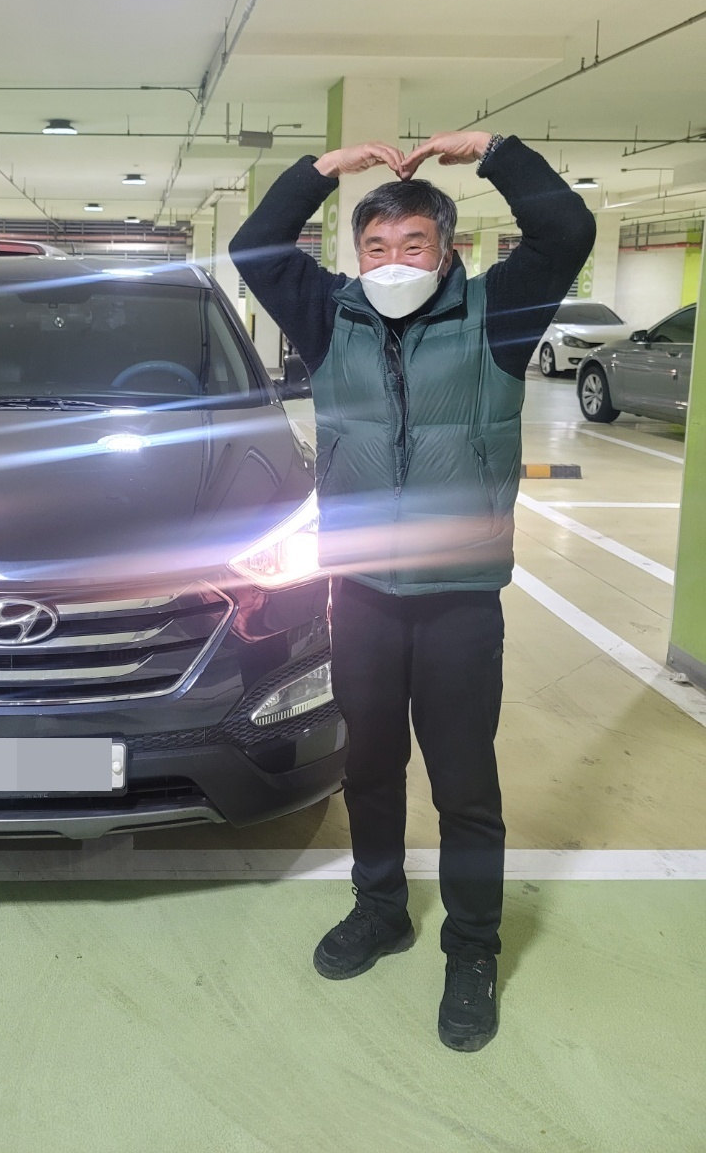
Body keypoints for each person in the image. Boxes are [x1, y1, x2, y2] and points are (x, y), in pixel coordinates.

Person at [230, 131, 595, 1052]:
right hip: (360, 599)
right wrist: (321, 171)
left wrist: (496, 151)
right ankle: (381, 909)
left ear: (446, 249)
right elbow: (254, 247)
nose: (394, 262)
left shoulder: (498, 314)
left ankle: (472, 949)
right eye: (377, 247)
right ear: (359, 256)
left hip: (460, 602)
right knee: (369, 770)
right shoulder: (330, 318)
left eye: (413, 245)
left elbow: (567, 231)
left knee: (466, 786)